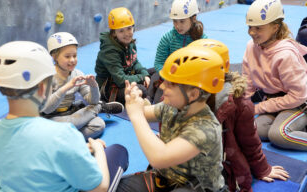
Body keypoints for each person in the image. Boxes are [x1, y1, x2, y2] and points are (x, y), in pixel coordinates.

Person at [0, 41, 129, 192]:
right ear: (43, 87)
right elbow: (100, 188)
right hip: (62, 131)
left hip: (63, 132)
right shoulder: (61, 135)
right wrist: (98, 149)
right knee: (118, 151)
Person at [117, 46, 228, 192]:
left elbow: (159, 158)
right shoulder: (172, 106)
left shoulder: (206, 128)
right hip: (166, 180)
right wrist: (134, 101)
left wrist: (136, 114)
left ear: (193, 94)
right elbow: (143, 113)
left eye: (170, 84)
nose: (162, 86)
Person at [189, 39, 289, 192]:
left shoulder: (239, 104)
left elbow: (250, 142)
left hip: (222, 166)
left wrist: (262, 169)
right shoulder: (181, 97)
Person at [243, 0, 307, 151]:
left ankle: (293, 125)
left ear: (275, 27)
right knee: (252, 131)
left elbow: (298, 96)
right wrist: (241, 106)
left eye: (258, 28)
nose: (252, 32)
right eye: (250, 27)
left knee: (279, 135)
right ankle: (295, 126)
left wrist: (260, 108)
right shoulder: (250, 46)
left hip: (298, 104)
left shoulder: (285, 55)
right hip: (275, 102)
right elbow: (247, 82)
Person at [42, 32, 124, 140]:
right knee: (73, 122)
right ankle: (100, 107)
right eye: (67, 56)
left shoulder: (78, 74)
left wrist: (94, 87)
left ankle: (63, 138)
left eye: (74, 56)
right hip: (51, 119)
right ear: (54, 56)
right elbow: (47, 109)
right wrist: (67, 87)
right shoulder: (47, 77)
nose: (72, 60)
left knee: (99, 125)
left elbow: (93, 101)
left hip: (70, 113)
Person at [148, 0, 207, 104]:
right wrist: (168, 77)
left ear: (193, 18)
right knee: (156, 80)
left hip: (190, 80)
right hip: (169, 76)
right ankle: (147, 99)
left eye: (182, 21)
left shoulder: (202, 40)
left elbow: (205, 66)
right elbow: (159, 63)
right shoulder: (168, 38)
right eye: (175, 21)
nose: (178, 26)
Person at [95, 7, 150, 104]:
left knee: (155, 72)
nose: (127, 34)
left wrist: (144, 73)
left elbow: (134, 62)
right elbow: (121, 80)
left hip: (126, 76)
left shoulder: (129, 42)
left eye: (129, 28)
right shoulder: (110, 51)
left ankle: (147, 96)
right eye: (121, 31)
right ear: (114, 33)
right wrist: (141, 78)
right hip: (110, 88)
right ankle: (148, 97)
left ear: (133, 27)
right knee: (141, 89)